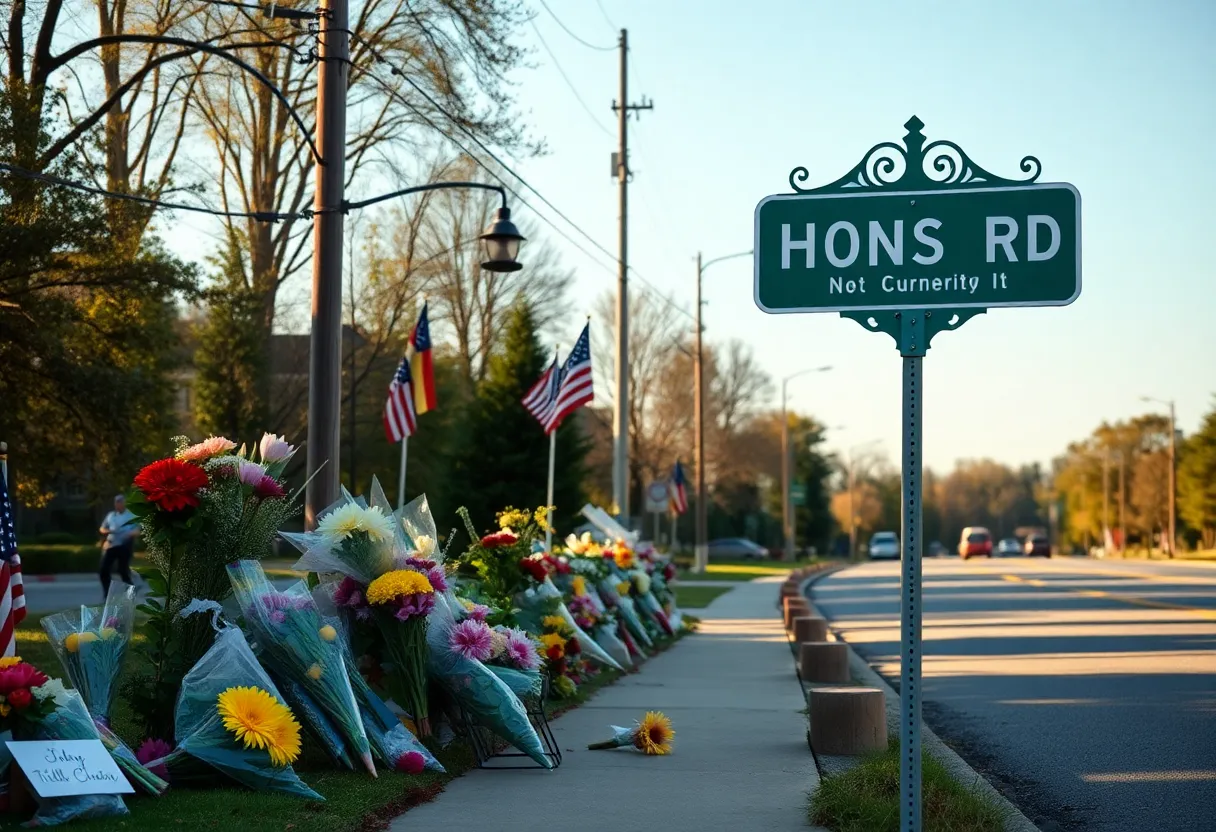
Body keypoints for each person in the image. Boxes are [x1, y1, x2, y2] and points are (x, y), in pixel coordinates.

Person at [99, 494, 138, 598]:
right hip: (111, 544)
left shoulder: (130, 516)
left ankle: (130, 592)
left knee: (122, 570)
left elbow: (138, 530)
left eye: (120, 502)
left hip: (124, 545)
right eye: (116, 502)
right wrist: (108, 531)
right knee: (104, 570)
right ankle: (107, 594)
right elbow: (102, 528)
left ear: (124, 503)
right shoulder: (111, 515)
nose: (118, 504)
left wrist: (130, 534)